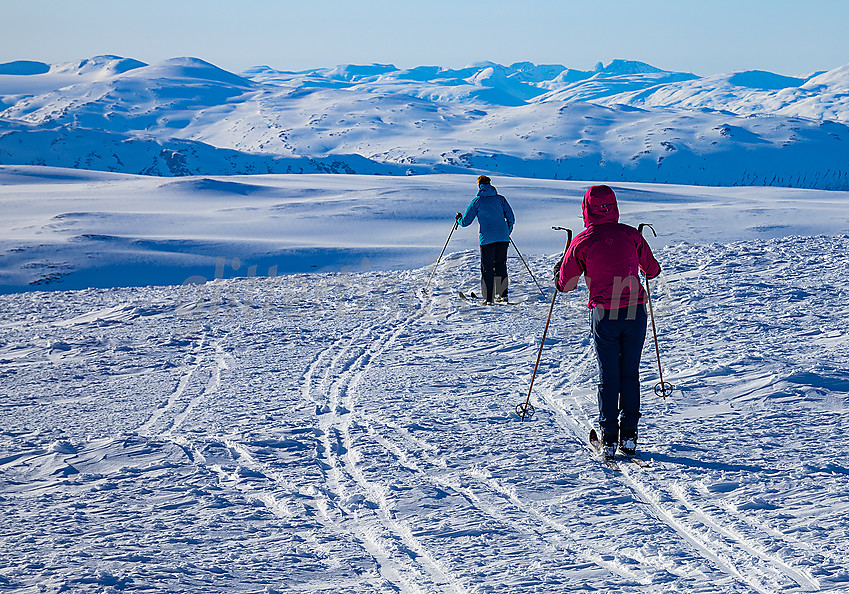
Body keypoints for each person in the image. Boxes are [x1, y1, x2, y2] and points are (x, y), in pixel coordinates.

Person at [554, 185, 661, 457]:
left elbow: (566, 285)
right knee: (630, 372)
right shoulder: (630, 235)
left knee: (609, 374)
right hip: (635, 311)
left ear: (586, 210)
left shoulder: (583, 240)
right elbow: (652, 270)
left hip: (604, 312)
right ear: (613, 206)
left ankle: (609, 437)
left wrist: (558, 272)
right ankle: (630, 436)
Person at [456, 175, 516, 304]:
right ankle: (503, 295)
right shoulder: (501, 199)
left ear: (479, 185)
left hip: (487, 239)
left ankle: (489, 298)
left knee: (487, 267)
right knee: (501, 265)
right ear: (490, 184)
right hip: (503, 237)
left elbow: (466, 222)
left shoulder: (477, 201)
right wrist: (507, 231)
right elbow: (511, 217)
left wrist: (458, 220)